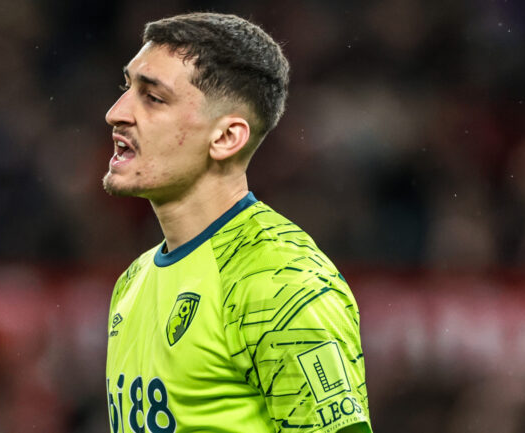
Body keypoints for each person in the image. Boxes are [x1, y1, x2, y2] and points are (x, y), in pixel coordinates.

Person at [103, 12, 371, 433]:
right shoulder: (132, 281)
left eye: (153, 98)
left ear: (226, 138)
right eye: (126, 88)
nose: (116, 113)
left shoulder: (280, 281)